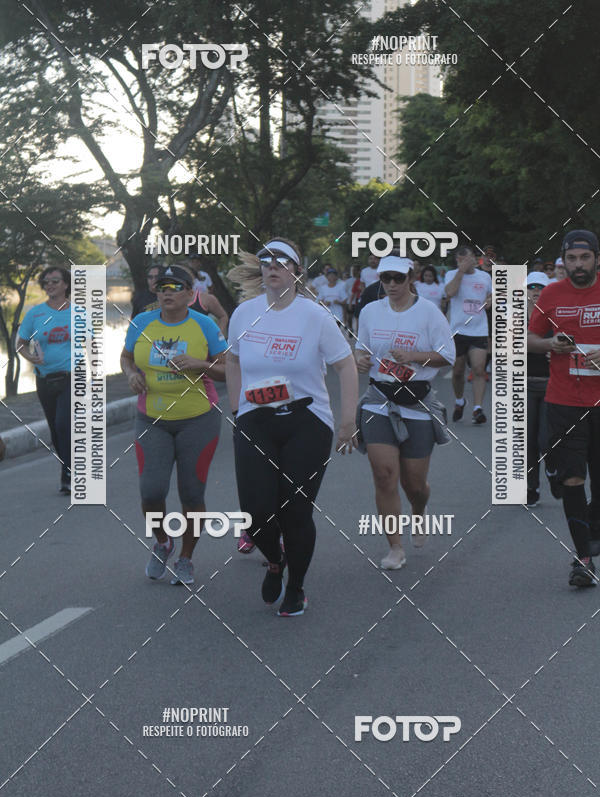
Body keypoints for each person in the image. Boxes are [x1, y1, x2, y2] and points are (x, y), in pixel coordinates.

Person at [226, 238, 358, 616]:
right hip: (256, 419)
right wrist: (237, 409)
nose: (273, 267)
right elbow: (232, 361)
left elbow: (346, 365)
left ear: (297, 272)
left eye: (282, 262)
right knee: (255, 513)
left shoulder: (315, 316)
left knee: (295, 511)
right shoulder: (244, 313)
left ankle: (296, 587)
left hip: (307, 421)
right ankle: (275, 561)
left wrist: (347, 422)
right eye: (266, 261)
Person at [120, 265, 228, 586]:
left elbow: (227, 371)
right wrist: (131, 374)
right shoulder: (142, 323)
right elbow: (125, 357)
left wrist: (200, 364)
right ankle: (163, 542)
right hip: (152, 419)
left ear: (190, 293)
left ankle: (186, 558)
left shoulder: (205, 325)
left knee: (192, 493)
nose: (166, 292)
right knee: (151, 491)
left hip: (198, 419)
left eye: (175, 287)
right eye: (161, 287)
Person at [354, 257, 455, 569]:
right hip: (379, 399)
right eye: (386, 278)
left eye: (398, 278)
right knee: (384, 476)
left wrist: (413, 356)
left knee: (415, 485)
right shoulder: (370, 311)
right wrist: (360, 359)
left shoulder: (428, 312)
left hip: (417, 402)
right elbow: (361, 348)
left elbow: (448, 355)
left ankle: (419, 511)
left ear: (411, 278)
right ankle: (395, 547)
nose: (392, 284)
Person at [528, 230, 600, 587]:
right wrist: (550, 344)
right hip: (563, 401)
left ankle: (593, 530)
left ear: (596, 259)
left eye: (585, 258)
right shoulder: (552, 294)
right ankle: (583, 558)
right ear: (564, 261)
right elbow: (528, 338)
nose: (578, 265)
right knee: (572, 479)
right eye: (571, 259)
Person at [17, 267, 72, 494]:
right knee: (55, 429)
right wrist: (31, 358)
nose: (50, 285)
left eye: (55, 281)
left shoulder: (79, 313)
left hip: (71, 378)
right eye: (46, 282)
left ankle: (68, 474)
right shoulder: (35, 313)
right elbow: (21, 344)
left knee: (63, 424)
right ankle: (68, 467)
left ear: (66, 284)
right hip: (44, 380)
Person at [444, 246, 492, 424]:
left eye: (467, 258)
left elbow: (492, 295)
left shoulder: (484, 277)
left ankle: (477, 409)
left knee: (479, 369)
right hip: (458, 330)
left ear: (474, 258)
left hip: (479, 330)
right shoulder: (451, 275)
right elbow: (449, 293)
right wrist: (461, 272)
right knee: (458, 371)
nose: (463, 262)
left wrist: (490, 300)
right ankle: (459, 401)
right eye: (460, 259)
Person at [525, 272, 551, 507]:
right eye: (531, 287)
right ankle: (531, 487)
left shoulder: (556, 318)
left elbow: (570, 344)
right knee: (528, 442)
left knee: (546, 440)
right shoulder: (514, 320)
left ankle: (552, 470)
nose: (535, 291)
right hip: (523, 385)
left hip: (552, 385)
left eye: (540, 287)